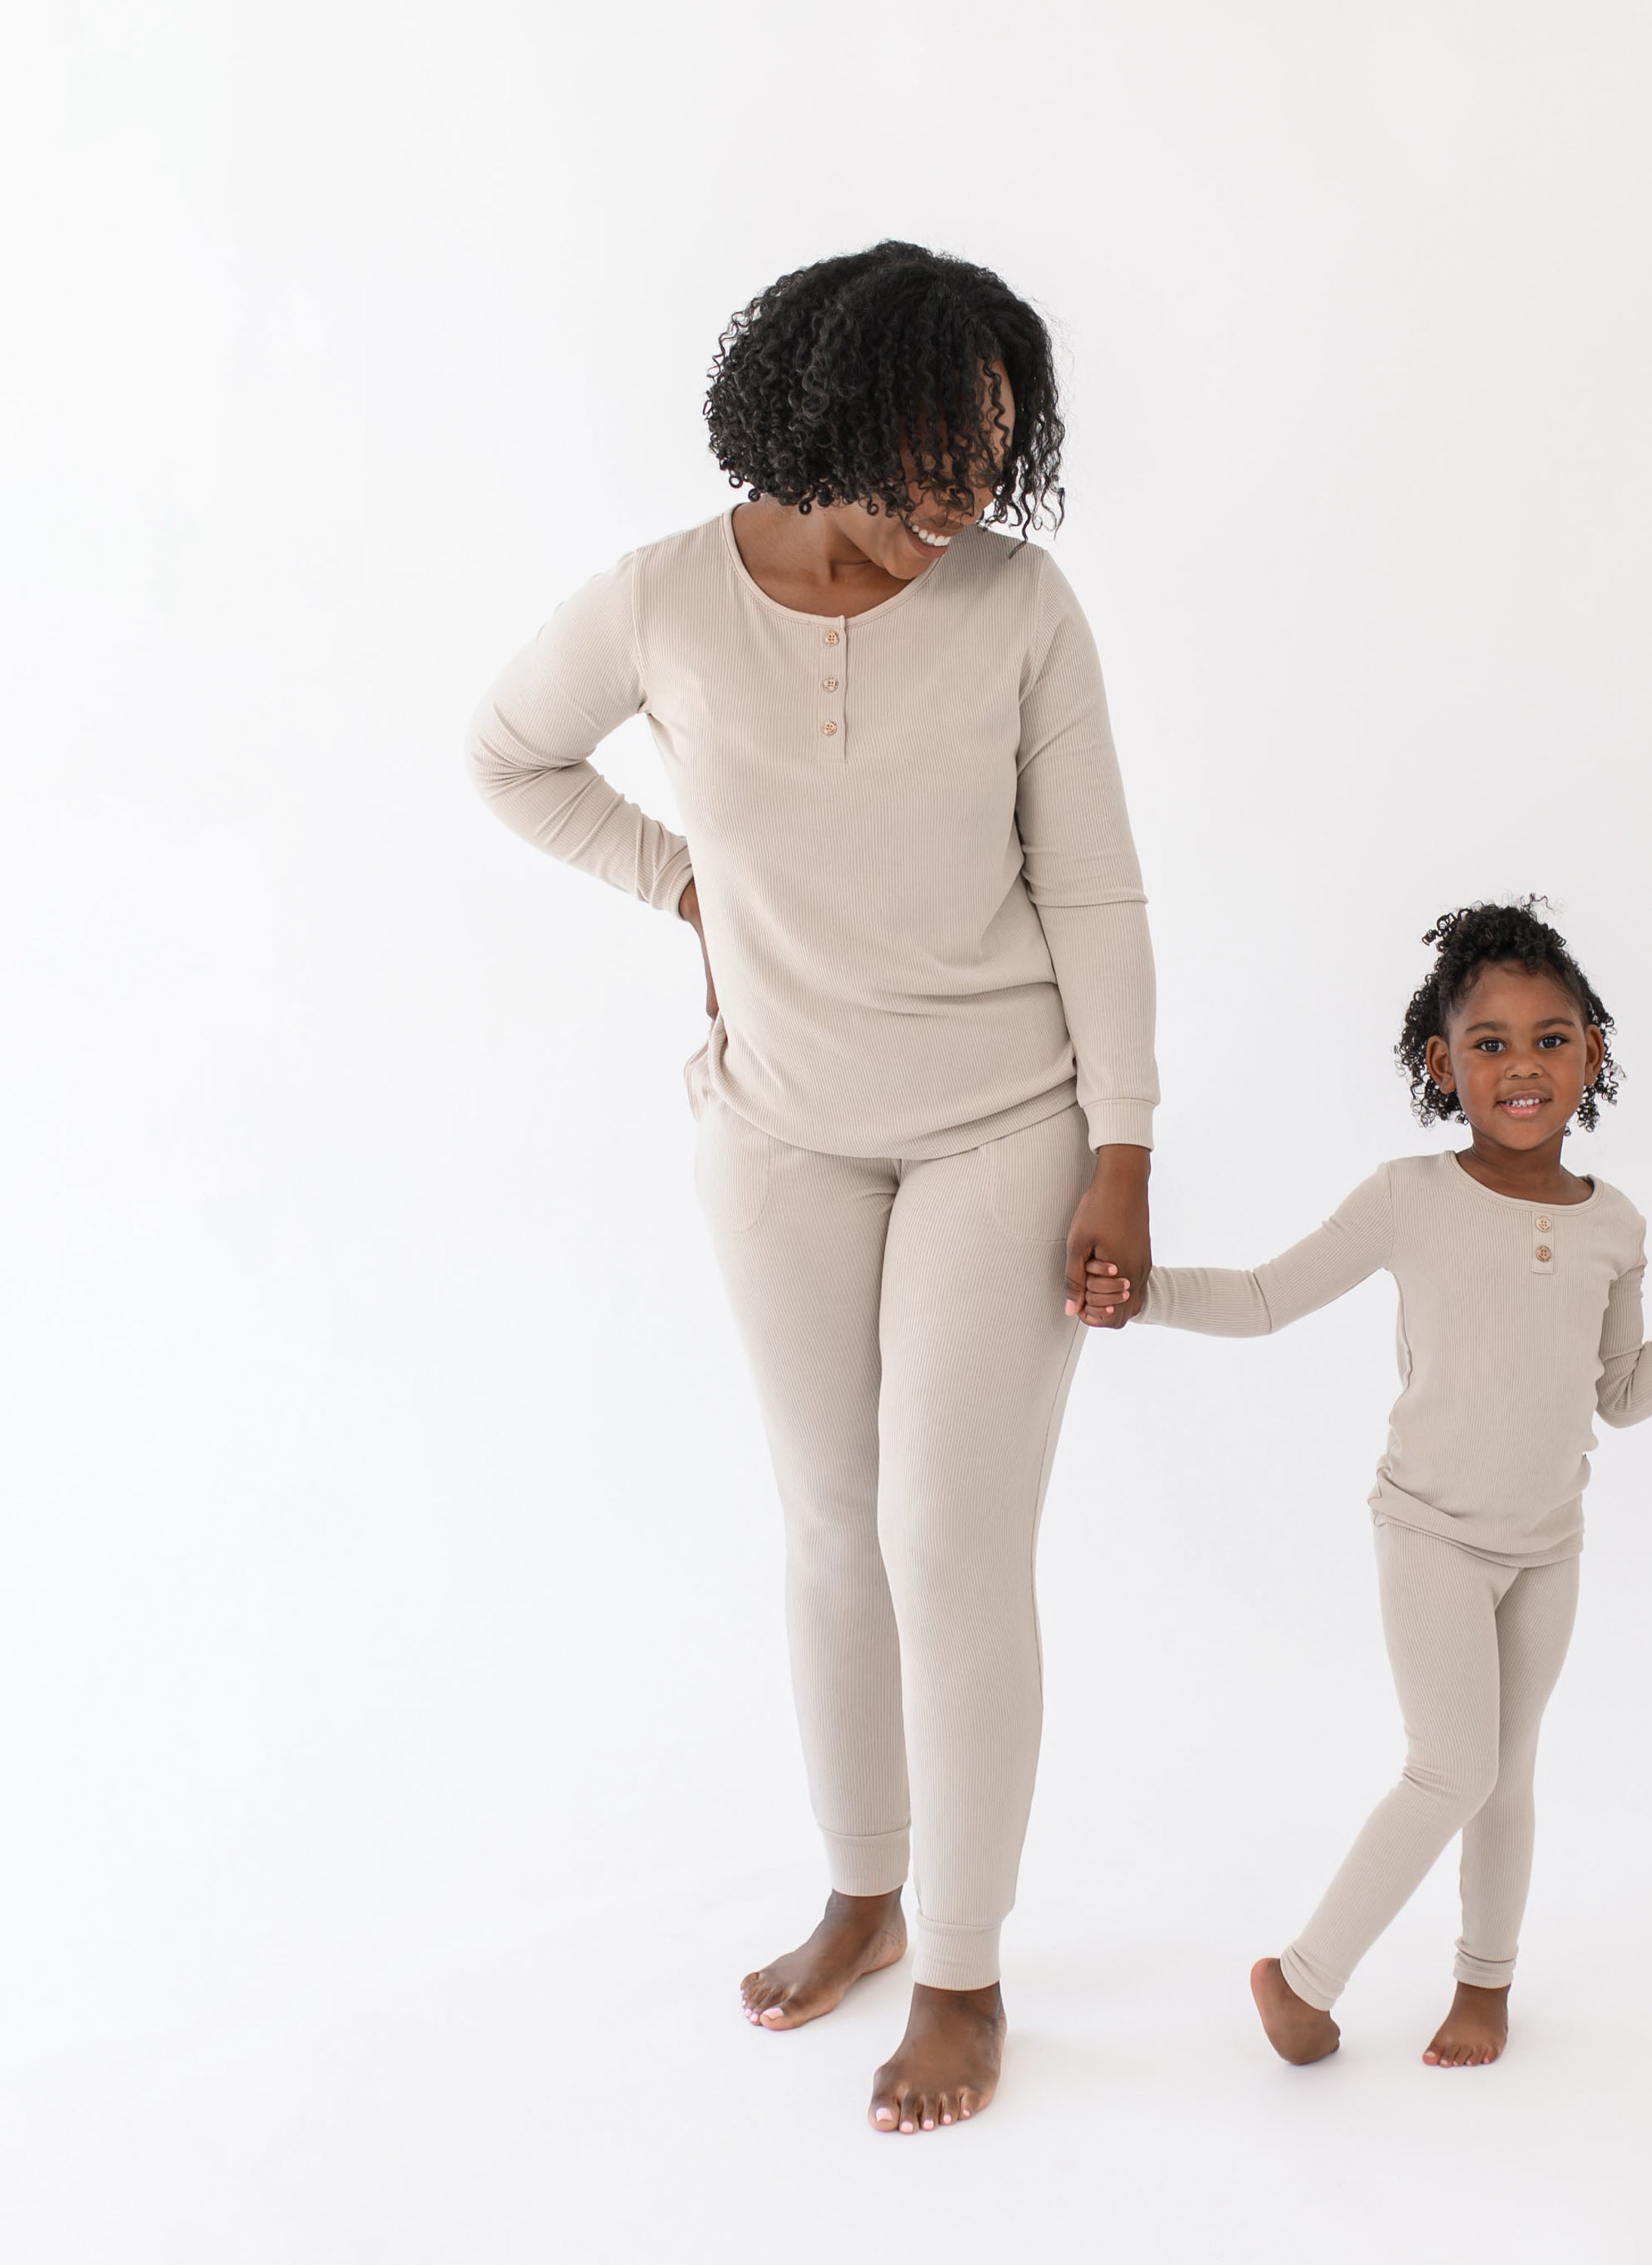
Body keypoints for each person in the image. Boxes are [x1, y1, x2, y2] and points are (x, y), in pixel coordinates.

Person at [467, 242, 1158, 2134]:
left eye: (996, 460)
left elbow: (1093, 889)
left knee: (951, 1545)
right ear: (825, 422)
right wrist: (687, 887)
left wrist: (1125, 1149)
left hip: (1001, 1125)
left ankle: (962, 1965)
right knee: (829, 1526)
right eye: (936, 458)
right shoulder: (664, 603)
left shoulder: (1025, 609)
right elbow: (508, 756)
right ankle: (863, 1884)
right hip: (774, 1128)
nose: (968, 499)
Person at [1076, 900, 1652, 2066]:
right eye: (1490, 1043)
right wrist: (1148, 1293)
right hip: (1431, 1535)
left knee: (1506, 1778)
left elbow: (1623, 1394)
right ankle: (1300, 1977)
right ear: (1444, 1065)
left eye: (1551, 1038)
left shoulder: (1617, 1225)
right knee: (1452, 1764)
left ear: (1593, 1051)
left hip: (1548, 1549)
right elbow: (1267, 1296)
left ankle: (1484, 1984)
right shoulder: (1409, 1197)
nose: (1523, 1065)